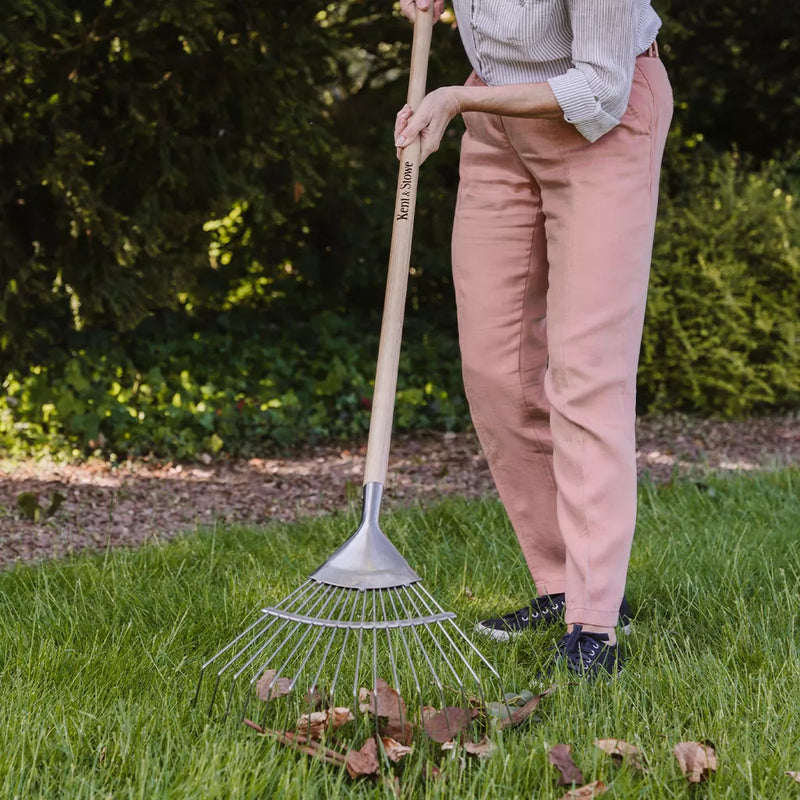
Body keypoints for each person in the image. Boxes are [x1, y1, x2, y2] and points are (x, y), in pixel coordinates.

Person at [396, 0, 673, 676]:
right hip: (498, 125)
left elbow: (600, 89)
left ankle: (595, 622)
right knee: (497, 368)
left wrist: (457, 96)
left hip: (601, 123)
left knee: (585, 375)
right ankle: (560, 583)